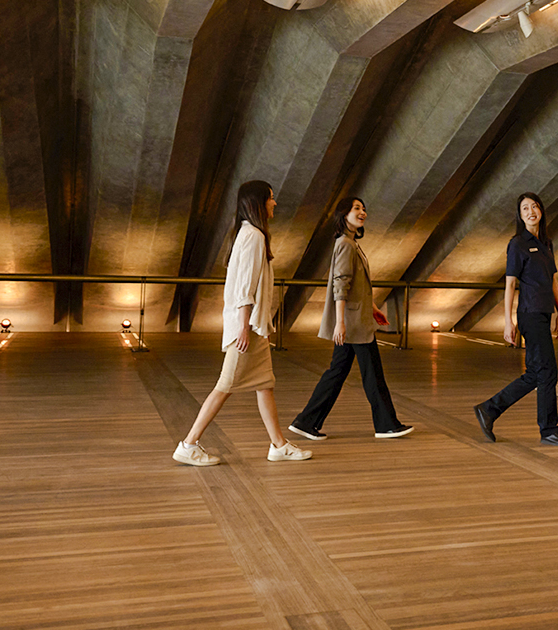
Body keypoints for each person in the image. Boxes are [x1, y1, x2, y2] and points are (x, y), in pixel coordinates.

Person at [174, 181, 311, 466]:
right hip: (247, 328)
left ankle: (278, 445)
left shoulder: (249, 234)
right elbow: (245, 288)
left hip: (254, 327)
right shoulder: (253, 236)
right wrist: (244, 327)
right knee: (225, 386)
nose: (275, 204)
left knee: (265, 384)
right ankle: (189, 444)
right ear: (258, 203)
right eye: (271, 199)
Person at [288, 197, 413, 440]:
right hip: (353, 323)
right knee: (372, 373)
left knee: (338, 372)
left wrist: (373, 307)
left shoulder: (350, 243)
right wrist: (341, 322)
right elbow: (341, 284)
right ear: (343, 214)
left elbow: (356, 285)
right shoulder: (345, 244)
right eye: (356, 208)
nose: (362, 212)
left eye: (364, 208)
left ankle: (306, 421)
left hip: (356, 319)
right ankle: (386, 424)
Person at [474, 192, 558, 446]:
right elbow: (509, 285)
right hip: (529, 314)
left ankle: (489, 409)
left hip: (544, 313)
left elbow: (552, 281)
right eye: (525, 209)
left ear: (541, 210)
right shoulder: (518, 244)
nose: (531, 211)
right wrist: (508, 321)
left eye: (534, 206)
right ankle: (549, 429)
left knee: (535, 373)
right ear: (520, 216)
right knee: (548, 371)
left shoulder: (547, 244)